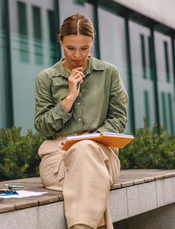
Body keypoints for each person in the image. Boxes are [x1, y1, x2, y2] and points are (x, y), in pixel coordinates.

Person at [34, 13, 128, 229]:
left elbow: (118, 118)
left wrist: (92, 139)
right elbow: (42, 126)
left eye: (84, 48)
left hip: (100, 156)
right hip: (58, 162)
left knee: (85, 150)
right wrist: (68, 99)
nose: (77, 55)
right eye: (70, 48)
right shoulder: (46, 78)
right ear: (60, 42)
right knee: (90, 180)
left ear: (92, 43)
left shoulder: (109, 73)